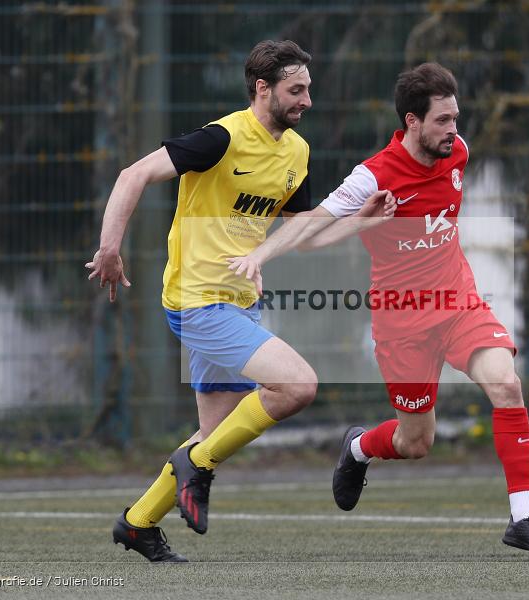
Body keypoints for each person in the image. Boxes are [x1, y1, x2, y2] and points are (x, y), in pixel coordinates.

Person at [228, 62, 529, 558]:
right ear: (412, 121)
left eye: (456, 119)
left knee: (506, 383)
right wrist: (262, 254)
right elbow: (309, 230)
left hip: (457, 304)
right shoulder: (373, 176)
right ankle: (359, 448)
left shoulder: (459, 153)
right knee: (415, 442)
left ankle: (523, 518)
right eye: (442, 122)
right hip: (401, 323)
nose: (454, 131)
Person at [85, 39, 395, 562]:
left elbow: (300, 235)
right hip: (197, 302)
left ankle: (137, 523)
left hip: (239, 304)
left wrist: (360, 220)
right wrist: (109, 249)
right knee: (297, 385)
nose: (306, 101)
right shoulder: (222, 138)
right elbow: (131, 175)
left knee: (213, 435)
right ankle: (195, 468)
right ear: (262, 89)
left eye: (308, 90)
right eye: (296, 90)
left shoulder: (296, 152)